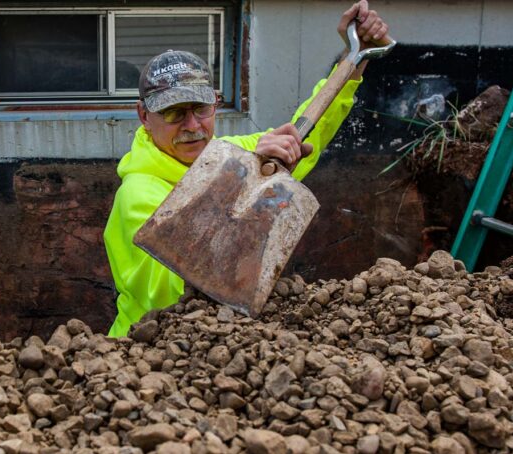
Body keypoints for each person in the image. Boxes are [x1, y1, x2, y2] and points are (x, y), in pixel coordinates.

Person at [104, 1, 391, 337]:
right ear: (143, 116)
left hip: (223, 339)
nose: (192, 125)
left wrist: (354, 59)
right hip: (144, 356)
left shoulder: (236, 154)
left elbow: (305, 132)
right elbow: (175, 287)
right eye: (173, 113)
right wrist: (240, 173)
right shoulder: (138, 193)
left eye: (201, 109)